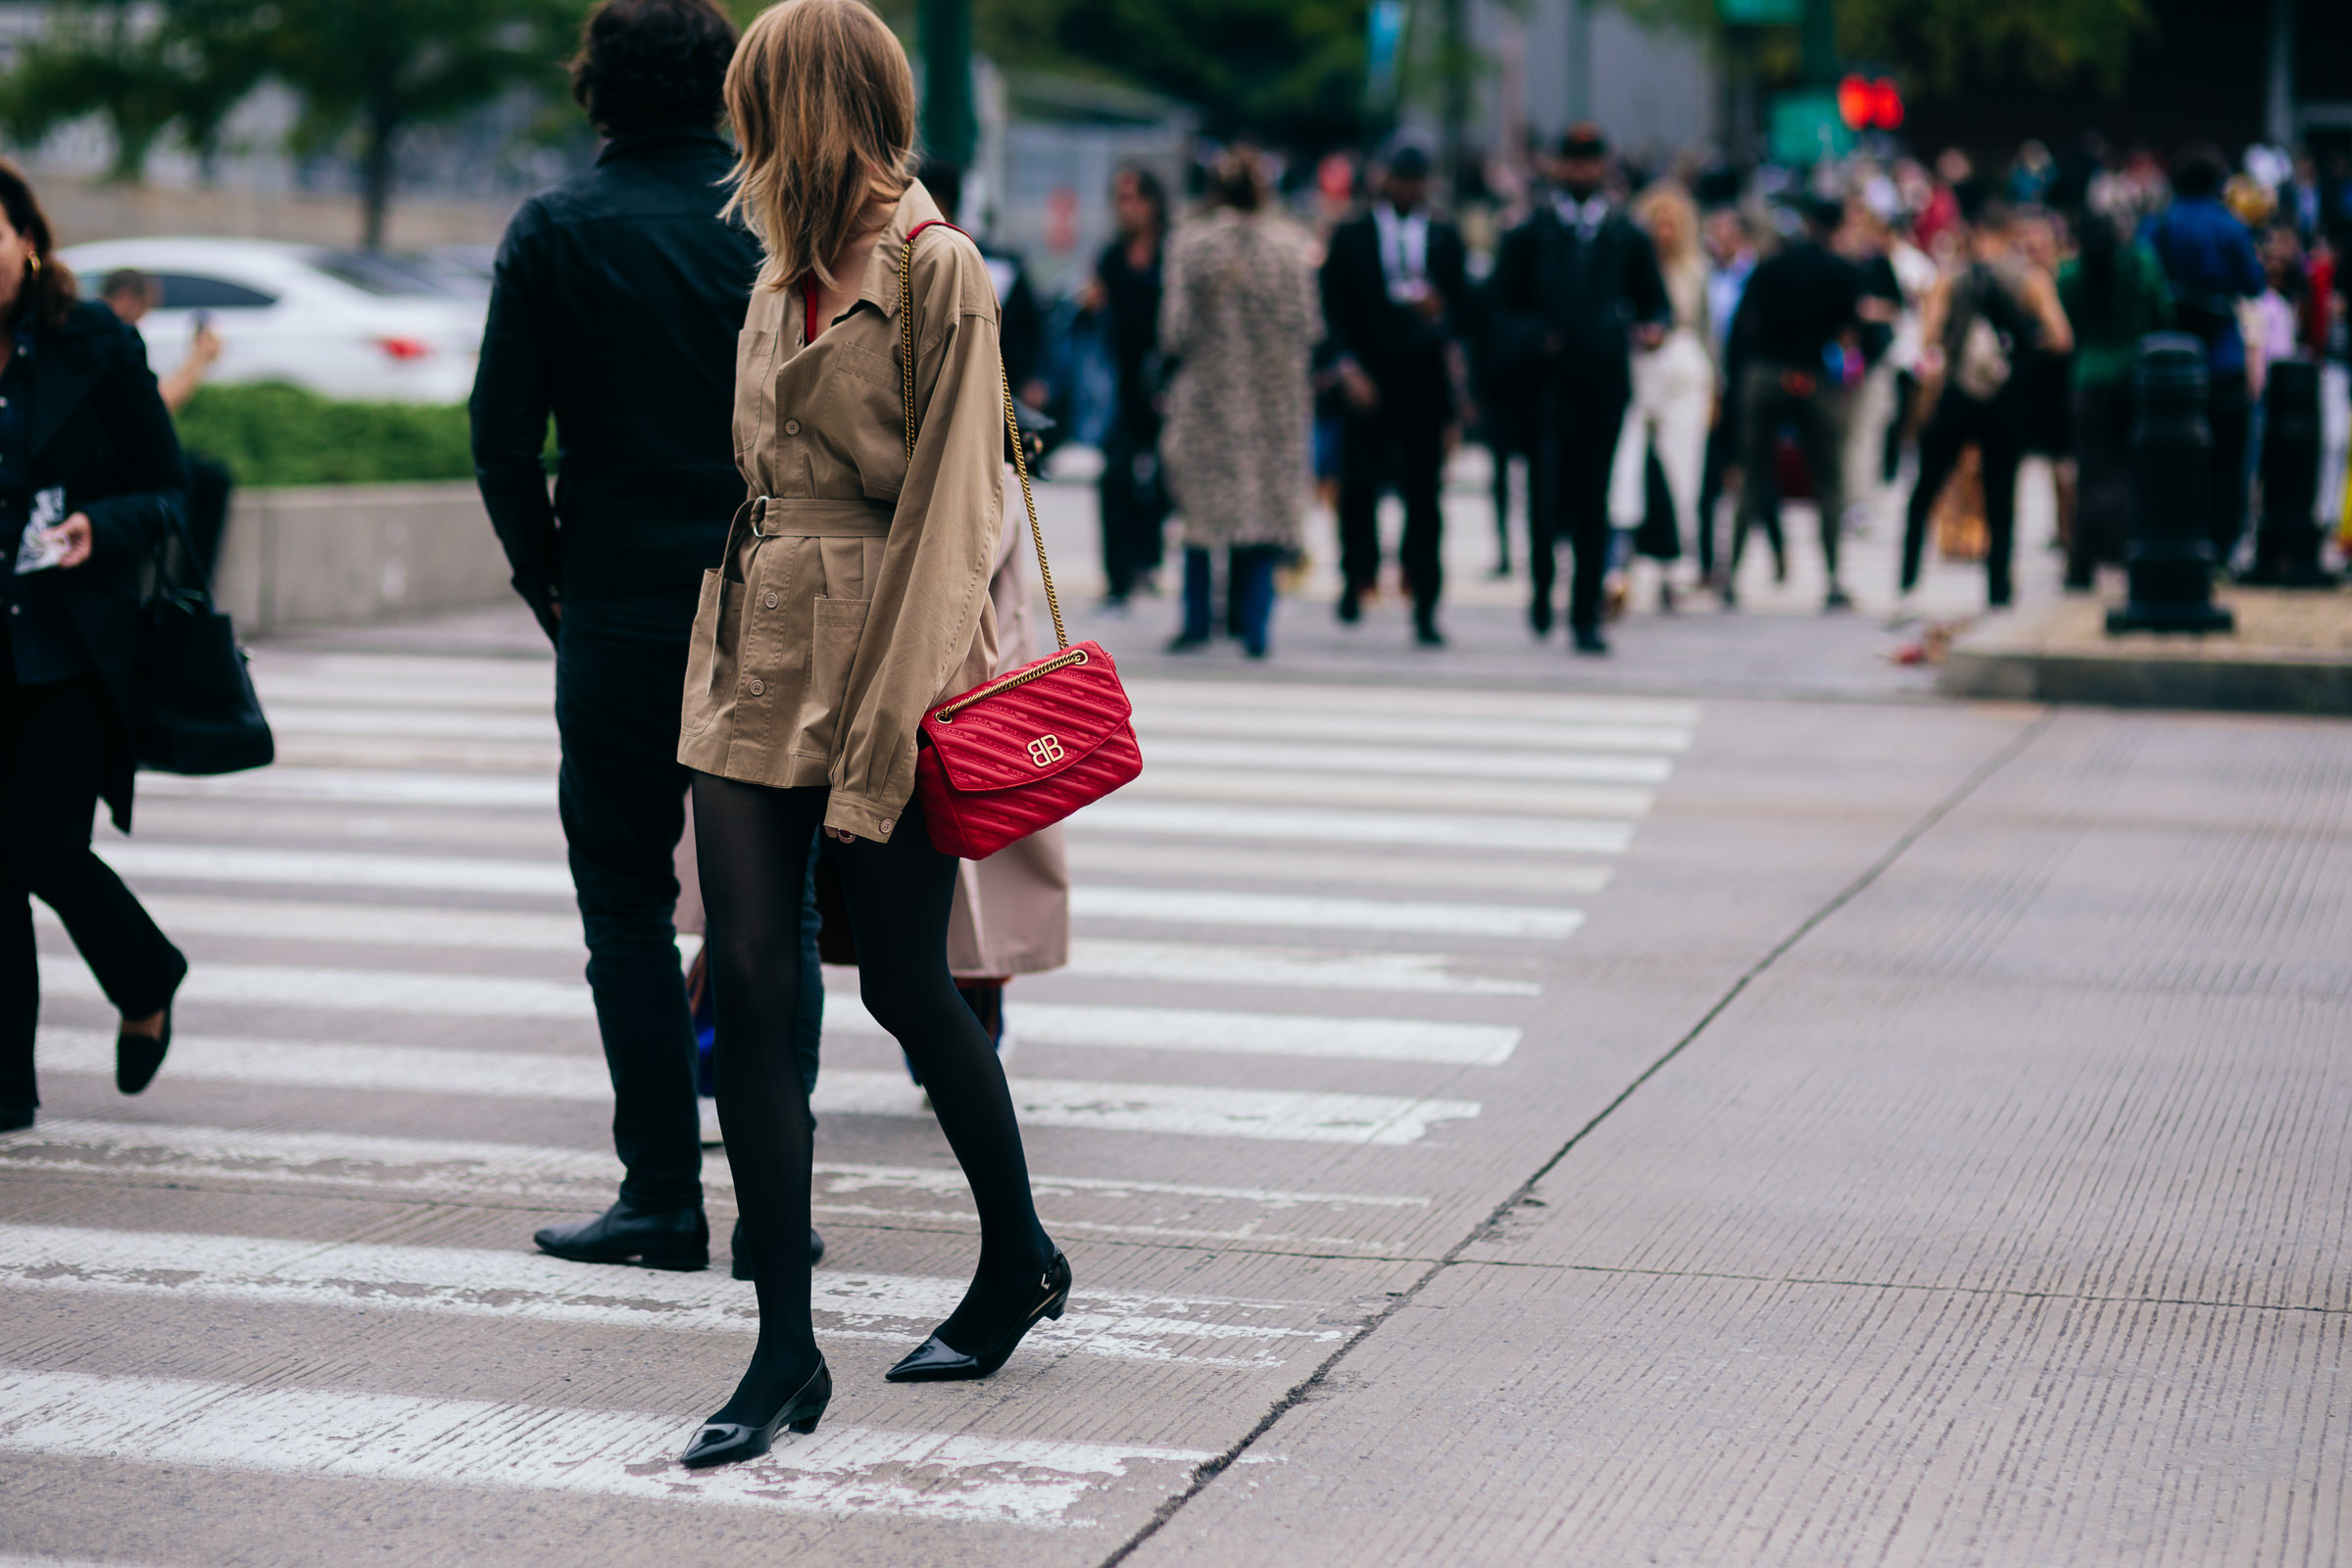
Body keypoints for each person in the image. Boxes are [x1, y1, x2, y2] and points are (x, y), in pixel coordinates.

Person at [674, 0, 1068, 1468]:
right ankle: (783, 1347)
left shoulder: (935, 269)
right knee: (752, 990)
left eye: (756, 101)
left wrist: (884, 736)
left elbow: (956, 517)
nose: (740, 131)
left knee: (908, 982)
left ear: (810, 105)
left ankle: (1017, 1252)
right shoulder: (778, 271)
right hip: (753, 654)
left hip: (884, 656)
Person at [470, 0, 831, 1277]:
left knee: (623, 902)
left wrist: (547, 583)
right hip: (767, 603)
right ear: (729, 88)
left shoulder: (556, 232)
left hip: (615, 601)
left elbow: (502, 442)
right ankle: (775, 1212)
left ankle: (661, 1198)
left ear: (596, 91)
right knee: (771, 909)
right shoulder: (781, 226)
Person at [0, 163, 191, 1135]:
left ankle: (147, 972)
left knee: (41, 849)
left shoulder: (94, 345)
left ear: (28, 240)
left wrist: (97, 528)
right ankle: (6, 1087)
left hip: (68, 653)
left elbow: (169, 488)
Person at [1490, 123, 1670, 654]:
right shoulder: (1531, 234)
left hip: (1602, 384)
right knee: (1546, 497)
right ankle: (1544, 586)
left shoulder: (1624, 235)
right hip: (1547, 385)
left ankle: (1585, 611)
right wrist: (1534, 340)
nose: (1582, 173)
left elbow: (1654, 301)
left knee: (1594, 500)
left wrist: (1652, 328)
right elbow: (1500, 308)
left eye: (1591, 162)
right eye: (1573, 162)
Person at [1158, 144, 1322, 659]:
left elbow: (1174, 330)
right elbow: (1310, 327)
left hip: (1209, 397)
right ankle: (1254, 626)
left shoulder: (1192, 245)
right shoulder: (1294, 249)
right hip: (1274, 401)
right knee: (1263, 509)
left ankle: (1198, 620)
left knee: (1203, 516)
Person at [1320, 140, 1468, 645]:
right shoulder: (1353, 234)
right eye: (1400, 179)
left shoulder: (1445, 236)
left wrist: (1440, 310)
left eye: (1416, 180)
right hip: (1368, 373)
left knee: (1424, 496)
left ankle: (1424, 597)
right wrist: (1345, 368)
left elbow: (1466, 310)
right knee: (1358, 487)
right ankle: (1355, 578)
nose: (1408, 189)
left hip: (1423, 378)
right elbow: (1331, 306)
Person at [1900, 202, 2075, 608]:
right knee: (2002, 496)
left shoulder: (1951, 278)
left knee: (1925, 488)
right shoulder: (2028, 279)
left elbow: (1929, 339)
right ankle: (1999, 587)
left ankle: (1907, 574)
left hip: (1957, 398)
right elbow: (2061, 337)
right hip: (2006, 399)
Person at [1723, 195, 1869, 611]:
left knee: (1750, 477)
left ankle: (1730, 577)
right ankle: (1834, 579)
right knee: (1828, 480)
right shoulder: (1841, 271)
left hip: (1765, 374)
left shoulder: (1767, 268)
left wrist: (1738, 382)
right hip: (1813, 376)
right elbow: (1851, 333)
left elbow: (1741, 328)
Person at [2142, 144, 2265, 564]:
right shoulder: (2230, 226)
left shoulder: (2161, 224)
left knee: (2173, 455)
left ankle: (2178, 530)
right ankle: (2224, 541)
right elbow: (2253, 283)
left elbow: (2147, 275)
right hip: (2223, 357)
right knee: (2228, 458)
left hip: (2172, 357)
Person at [1605, 181, 1712, 610]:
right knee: (1626, 467)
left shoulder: (1694, 270)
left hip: (1682, 366)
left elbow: (1706, 330)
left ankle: (1676, 567)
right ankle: (1619, 561)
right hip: (1637, 366)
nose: (1664, 232)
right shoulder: (1628, 262)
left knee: (1682, 469)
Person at [2056, 205, 2172, 587]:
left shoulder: (2072, 275)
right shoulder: (2139, 263)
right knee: (2134, 468)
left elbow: (2063, 324)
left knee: (2090, 471)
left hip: (2088, 379)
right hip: (2135, 376)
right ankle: (2128, 551)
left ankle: (2082, 563)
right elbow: (2163, 312)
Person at [98, 269, 232, 581]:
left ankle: (190, 598)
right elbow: (157, 407)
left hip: (118, 458)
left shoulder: (108, 334)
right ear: (126, 300)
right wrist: (198, 359)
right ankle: (192, 599)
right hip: (110, 462)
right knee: (194, 482)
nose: (144, 321)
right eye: (144, 311)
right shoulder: (108, 335)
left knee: (205, 477)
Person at [1085, 167, 1170, 609]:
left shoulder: (1170, 255)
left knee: (1162, 481)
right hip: (1121, 386)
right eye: (1120, 199)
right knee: (1115, 476)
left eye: (1134, 197)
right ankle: (1119, 574)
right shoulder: (1112, 257)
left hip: (1168, 385)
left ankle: (1147, 561)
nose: (1127, 208)